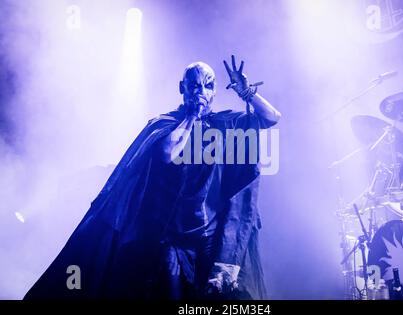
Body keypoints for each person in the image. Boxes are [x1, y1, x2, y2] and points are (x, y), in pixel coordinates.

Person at [24, 55, 281, 300]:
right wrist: (192, 115)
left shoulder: (225, 123)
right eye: (194, 85)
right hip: (171, 235)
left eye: (208, 86)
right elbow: (168, 153)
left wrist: (246, 92)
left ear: (215, 91)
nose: (201, 91)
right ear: (182, 88)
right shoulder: (164, 124)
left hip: (210, 235)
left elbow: (271, 118)